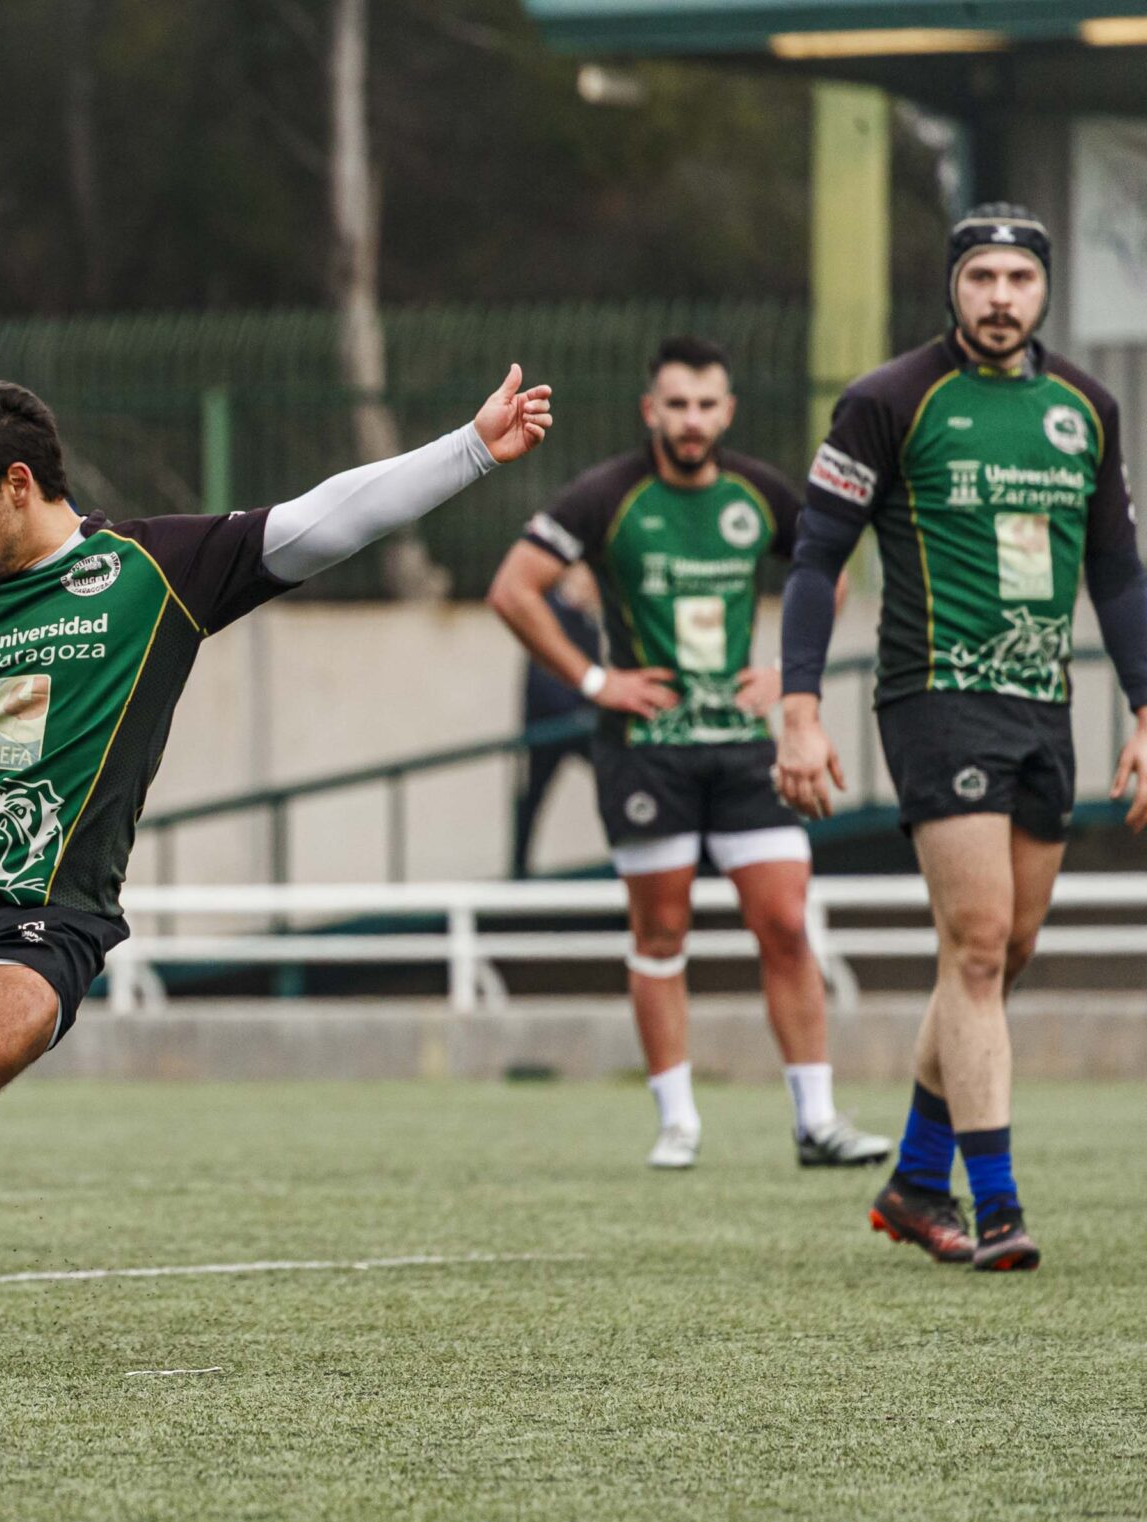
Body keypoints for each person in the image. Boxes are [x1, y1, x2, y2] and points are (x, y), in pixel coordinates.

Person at [0, 370, 554, 1373]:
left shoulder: (155, 571)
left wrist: (468, 447)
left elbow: (325, 519)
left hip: (40, 916)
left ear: (19, 484)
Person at [777, 205, 1147, 1272]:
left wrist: (1141, 705)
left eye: (1016, 280)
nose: (998, 297)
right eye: (979, 276)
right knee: (979, 946)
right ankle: (996, 1206)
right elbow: (813, 561)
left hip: (1044, 703)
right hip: (934, 695)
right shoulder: (887, 401)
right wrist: (798, 708)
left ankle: (909, 1185)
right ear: (952, 286)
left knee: (1001, 953)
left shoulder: (1087, 406)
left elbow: (1116, 574)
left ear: (1042, 291)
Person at [488, 336, 888, 1171]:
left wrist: (788, 672)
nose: (692, 420)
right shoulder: (607, 495)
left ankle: (816, 1118)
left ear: (727, 411)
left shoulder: (758, 491)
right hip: (645, 751)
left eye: (707, 405)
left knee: (783, 921)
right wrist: (597, 680)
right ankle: (678, 1120)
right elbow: (513, 590)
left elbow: (827, 569)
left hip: (746, 749)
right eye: (677, 404)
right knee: (661, 929)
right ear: (651, 410)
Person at [508, 561, 600, 879]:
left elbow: (594, 674)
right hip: (547, 729)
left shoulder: (586, 625)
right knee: (532, 797)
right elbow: (544, 679)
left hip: (577, 726)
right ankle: (518, 869)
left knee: (614, 773)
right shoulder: (547, 613)